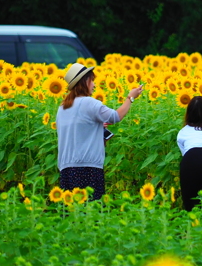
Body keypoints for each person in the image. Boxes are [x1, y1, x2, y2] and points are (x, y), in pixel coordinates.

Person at [56, 63, 143, 202]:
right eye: (92, 80)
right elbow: (115, 117)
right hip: (87, 169)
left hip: (67, 170)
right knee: (91, 214)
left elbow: (76, 135)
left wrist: (96, 129)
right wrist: (130, 98)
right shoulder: (89, 103)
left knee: (71, 216)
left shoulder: (62, 108)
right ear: (85, 81)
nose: (94, 85)